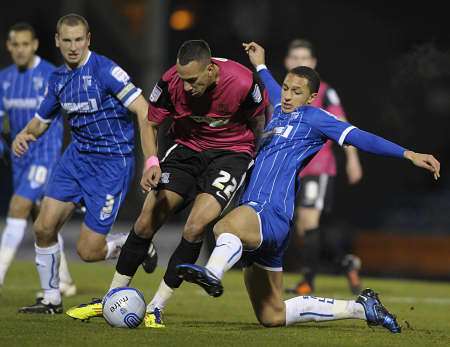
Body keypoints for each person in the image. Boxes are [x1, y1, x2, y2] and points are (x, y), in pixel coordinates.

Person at [176, 41, 440, 333]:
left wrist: (408, 154)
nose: (287, 95)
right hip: (264, 221)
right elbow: (271, 84)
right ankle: (361, 308)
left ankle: (212, 272)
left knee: (223, 228)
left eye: (296, 92)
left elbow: (361, 137)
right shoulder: (279, 107)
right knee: (272, 315)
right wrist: (260, 64)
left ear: (312, 97)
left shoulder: (316, 118)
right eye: (287, 88)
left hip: (268, 211)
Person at [66, 39, 268, 327]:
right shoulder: (171, 81)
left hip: (231, 155)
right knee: (147, 219)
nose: (186, 87)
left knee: (196, 225)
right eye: (183, 80)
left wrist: (256, 162)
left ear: (211, 70)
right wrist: (152, 161)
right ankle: (110, 297)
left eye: (193, 80)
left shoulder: (243, 83)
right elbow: (150, 122)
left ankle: (156, 307)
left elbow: (259, 124)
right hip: (187, 149)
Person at [14, 13, 151, 314]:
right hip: (75, 160)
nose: (73, 46)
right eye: (67, 40)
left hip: (111, 164)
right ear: (57, 42)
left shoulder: (105, 71)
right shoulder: (58, 79)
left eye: (79, 40)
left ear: (88, 40)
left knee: (88, 251)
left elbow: (144, 110)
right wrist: (25, 134)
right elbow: (41, 120)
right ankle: (51, 299)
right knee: (43, 227)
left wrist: (149, 159)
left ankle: (133, 244)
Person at [0, 22, 76, 297]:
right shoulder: (4, 80)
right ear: (9, 47)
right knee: (44, 223)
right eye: (15, 45)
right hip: (19, 159)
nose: (20, 50)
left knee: (17, 206)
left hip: (45, 156)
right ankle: (64, 280)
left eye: (25, 44)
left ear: (34, 45)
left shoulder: (51, 75)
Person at [283, 39, 363, 295]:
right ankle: (345, 261)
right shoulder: (282, 94)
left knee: (308, 220)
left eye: (304, 58)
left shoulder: (325, 92)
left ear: (313, 64)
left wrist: (353, 159)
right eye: (294, 58)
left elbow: (344, 128)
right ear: (287, 62)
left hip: (319, 167)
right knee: (304, 227)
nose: (299, 63)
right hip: (293, 169)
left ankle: (307, 281)